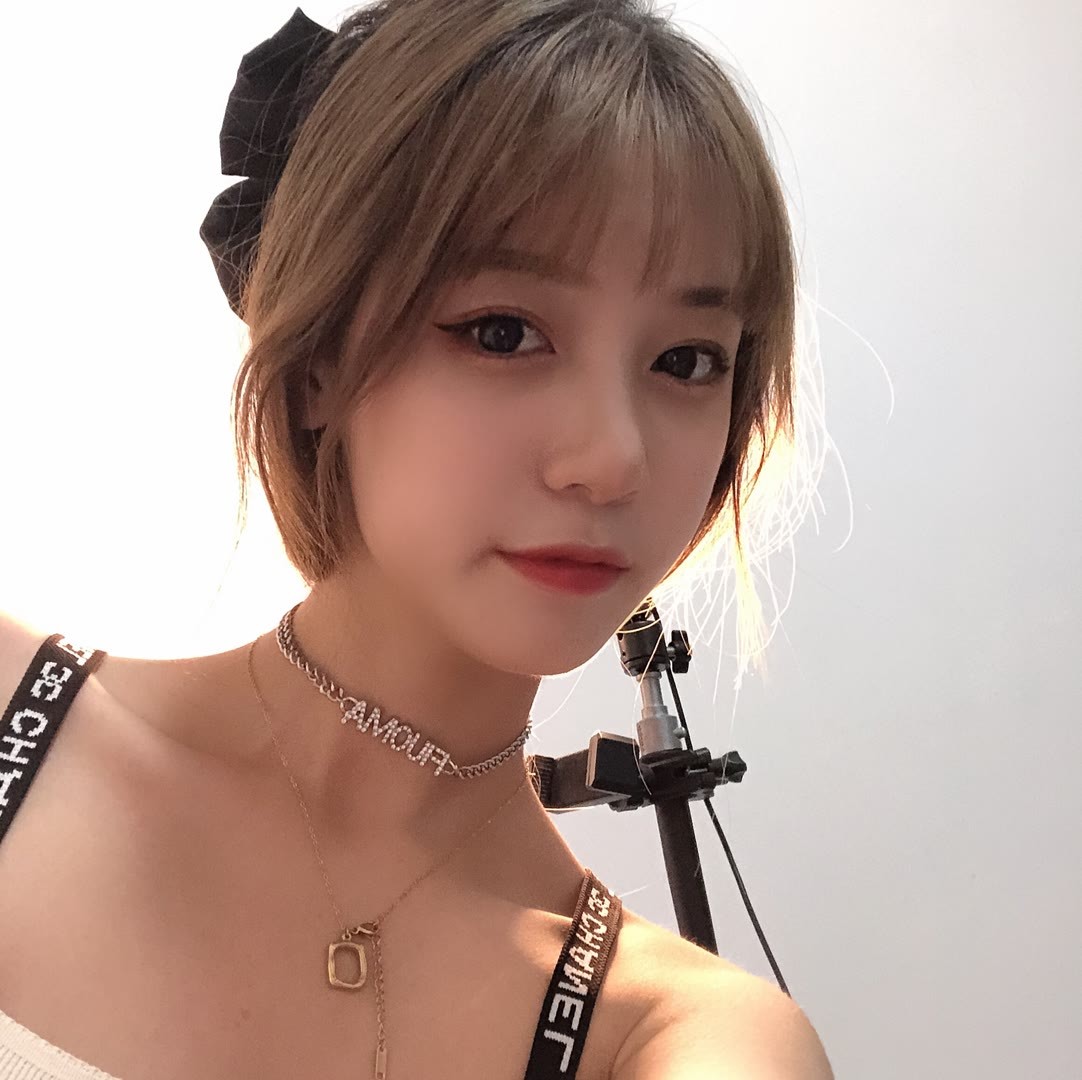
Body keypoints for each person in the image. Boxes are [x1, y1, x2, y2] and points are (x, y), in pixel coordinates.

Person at [0, 1, 832, 1077]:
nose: (612, 457)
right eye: (503, 332)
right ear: (317, 363)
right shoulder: (18, 725)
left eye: (686, 361)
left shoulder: (670, 1035)